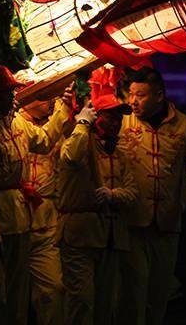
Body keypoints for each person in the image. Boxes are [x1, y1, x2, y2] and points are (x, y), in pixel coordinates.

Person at [0, 66, 87, 325]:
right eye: (6, 92)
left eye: (12, 91)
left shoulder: (16, 123)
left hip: (20, 221)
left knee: (18, 296)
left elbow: (45, 140)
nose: (12, 97)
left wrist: (63, 106)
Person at [117, 67, 186, 325]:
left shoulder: (183, 125)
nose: (133, 101)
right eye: (131, 94)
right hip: (130, 220)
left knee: (160, 291)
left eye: (140, 95)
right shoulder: (121, 121)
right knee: (133, 290)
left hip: (168, 219)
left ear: (159, 96)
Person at [57, 75, 137, 325]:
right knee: (82, 300)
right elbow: (71, 157)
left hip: (110, 236)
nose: (115, 122)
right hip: (80, 233)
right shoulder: (79, 139)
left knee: (106, 302)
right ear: (96, 117)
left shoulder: (121, 151)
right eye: (109, 116)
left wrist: (114, 195)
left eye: (118, 117)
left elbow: (133, 191)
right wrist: (83, 124)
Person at [12, 91, 74, 325]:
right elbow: (42, 140)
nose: (50, 100)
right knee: (14, 297)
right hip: (14, 221)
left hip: (46, 222)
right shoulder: (13, 122)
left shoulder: (57, 123)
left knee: (54, 291)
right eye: (45, 94)